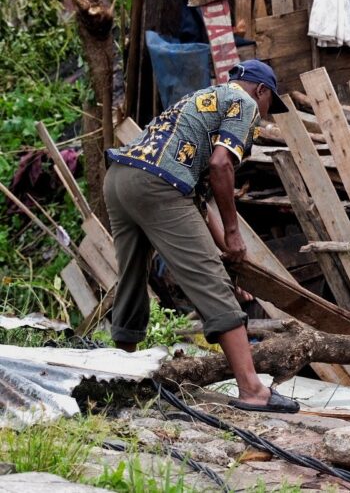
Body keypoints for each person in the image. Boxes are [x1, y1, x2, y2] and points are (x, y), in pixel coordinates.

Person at [104, 59, 299, 413]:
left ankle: (117, 379)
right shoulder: (246, 104)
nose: (266, 115)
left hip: (120, 179)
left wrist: (228, 250)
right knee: (210, 283)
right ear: (262, 90)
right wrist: (234, 231)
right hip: (157, 186)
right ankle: (253, 390)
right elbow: (221, 164)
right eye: (271, 105)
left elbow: (196, 199)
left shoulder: (200, 100)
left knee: (131, 279)